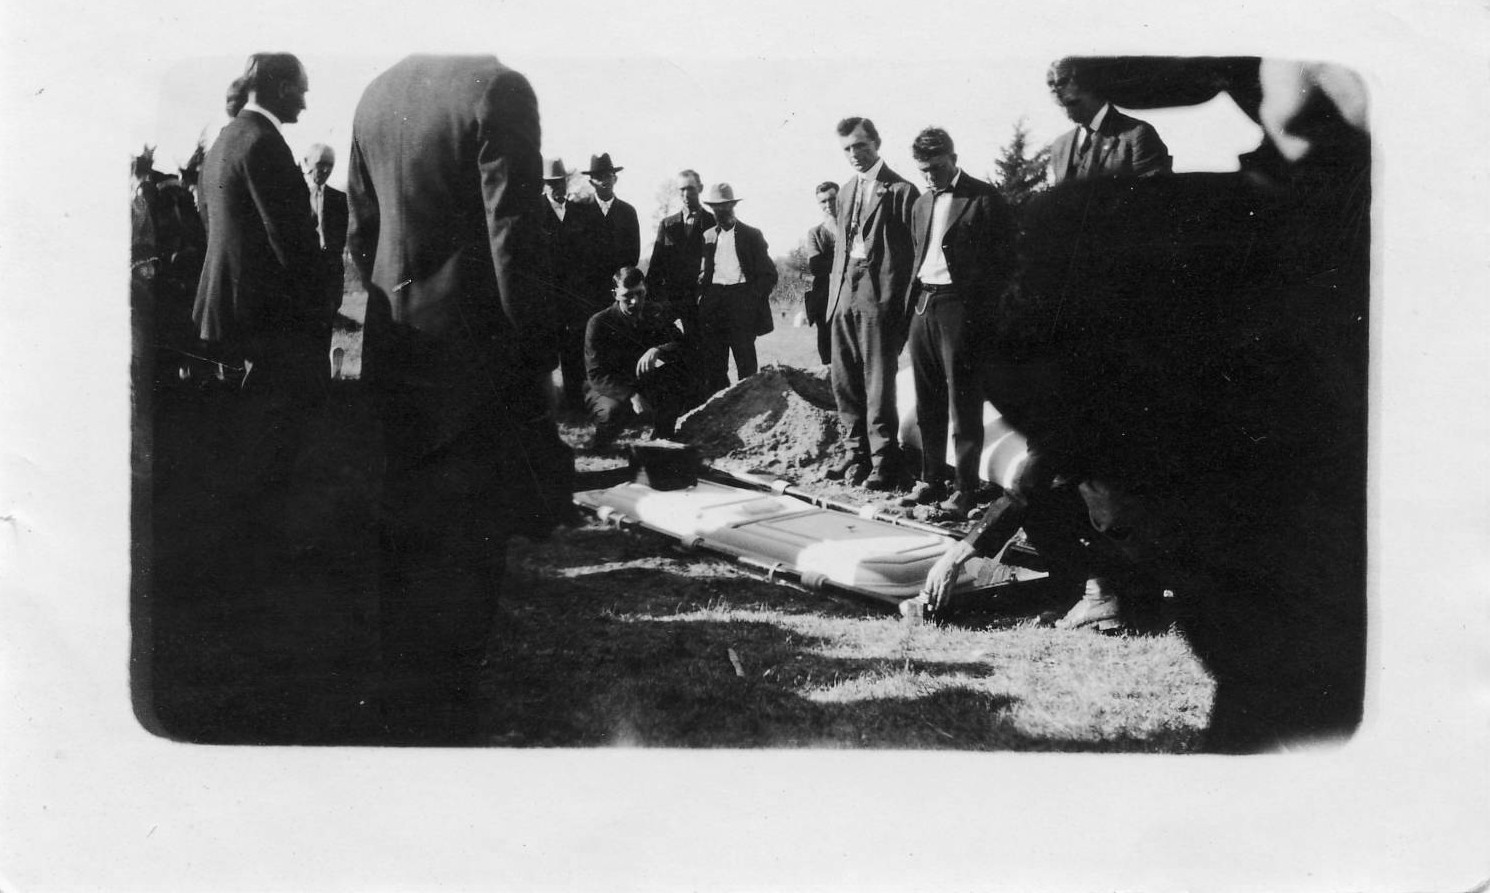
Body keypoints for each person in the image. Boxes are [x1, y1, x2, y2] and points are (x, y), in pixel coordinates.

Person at [924, 57, 1369, 754]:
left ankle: (1118, 590)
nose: (1063, 97)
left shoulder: (1156, 169)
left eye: (1071, 85)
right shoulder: (1074, 161)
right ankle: (1113, 586)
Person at [347, 53, 574, 744]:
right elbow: (514, 237)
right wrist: (537, 359)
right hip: (473, 357)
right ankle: (449, 706)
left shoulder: (376, 92)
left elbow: (360, 234)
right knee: (471, 537)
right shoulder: (497, 88)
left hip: (397, 348)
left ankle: (403, 692)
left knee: (405, 526)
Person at [191, 52, 322, 522]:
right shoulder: (265, 142)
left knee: (240, 434)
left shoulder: (225, 140)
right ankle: (261, 534)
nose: (304, 102)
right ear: (281, 88)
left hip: (225, 310)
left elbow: (210, 226)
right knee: (272, 441)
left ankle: (241, 528)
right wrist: (317, 303)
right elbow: (292, 242)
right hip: (266, 318)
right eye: (301, 91)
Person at [898, 128, 1017, 517]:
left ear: (953, 158)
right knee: (926, 400)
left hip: (960, 308)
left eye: (936, 167)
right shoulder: (920, 204)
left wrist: (982, 313)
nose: (929, 176)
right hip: (923, 305)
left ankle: (965, 488)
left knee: (964, 401)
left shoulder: (983, 198)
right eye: (922, 170)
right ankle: (931, 479)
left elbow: (1006, 264)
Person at [824, 117, 920, 491]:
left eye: (861, 145)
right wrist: (835, 297)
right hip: (844, 289)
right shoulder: (846, 191)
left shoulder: (901, 191)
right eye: (847, 148)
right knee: (844, 377)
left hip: (879, 294)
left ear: (877, 144)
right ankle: (855, 453)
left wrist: (897, 306)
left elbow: (912, 255)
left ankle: (884, 460)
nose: (854, 154)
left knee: (878, 381)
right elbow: (841, 248)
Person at [584, 266, 693, 448]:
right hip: (609, 387)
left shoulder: (654, 312)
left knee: (677, 379)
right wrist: (631, 396)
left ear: (646, 290)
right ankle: (602, 443)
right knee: (610, 412)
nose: (635, 301)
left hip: (643, 381)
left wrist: (658, 350)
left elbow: (681, 343)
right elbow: (596, 375)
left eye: (640, 293)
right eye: (627, 296)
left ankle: (662, 436)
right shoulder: (599, 323)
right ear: (615, 294)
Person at [696, 182, 778, 393]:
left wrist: (751, 297)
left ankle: (749, 404)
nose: (719, 210)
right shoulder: (708, 236)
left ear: (732, 205)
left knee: (745, 361)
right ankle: (719, 405)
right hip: (714, 303)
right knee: (715, 363)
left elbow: (769, 274)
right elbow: (704, 272)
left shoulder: (751, 235)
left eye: (724, 205)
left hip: (741, 301)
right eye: (715, 206)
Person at [531, 156, 597, 409]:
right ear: (543, 184)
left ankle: (576, 403)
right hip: (547, 295)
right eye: (551, 183)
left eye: (560, 182)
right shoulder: (534, 213)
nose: (557, 187)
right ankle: (549, 404)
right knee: (548, 350)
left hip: (575, 295)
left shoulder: (580, 212)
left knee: (575, 348)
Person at [1046, 56, 1171, 184]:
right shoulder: (1060, 147)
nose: (1064, 106)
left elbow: (1154, 193)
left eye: (1072, 101)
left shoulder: (1137, 136)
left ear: (1093, 88)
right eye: (1061, 105)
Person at [646, 169, 714, 338]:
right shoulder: (667, 224)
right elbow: (655, 269)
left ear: (700, 188)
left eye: (690, 188)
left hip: (702, 304)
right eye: (681, 189)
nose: (686, 194)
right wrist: (656, 302)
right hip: (671, 305)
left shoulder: (713, 222)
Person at [302, 143, 348, 360]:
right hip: (304, 276)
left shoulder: (339, 199)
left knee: (325, 330)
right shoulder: (296, 196)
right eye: (320, 164)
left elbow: (341, 241)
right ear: (307, 163)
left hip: (329, 277)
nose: (325, 170)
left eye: (330, 165)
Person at [582, 152, 641, 297]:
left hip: (618, 289)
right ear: (591, 182)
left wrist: (620, 281)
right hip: (586, 288)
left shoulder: (628, 212)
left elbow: (633, 254)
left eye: (608, 176)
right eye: (598, 177)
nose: (604, 181)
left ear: (615, 179)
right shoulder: (579, 209)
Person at [802, 181, 838, 366]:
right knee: (827, 354)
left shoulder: (854, 229)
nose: (828, 205)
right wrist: (846, 259)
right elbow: (816, 266)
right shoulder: (815, 233)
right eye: (823, 201)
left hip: (853, 296)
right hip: (824, 300)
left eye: (832, 199)